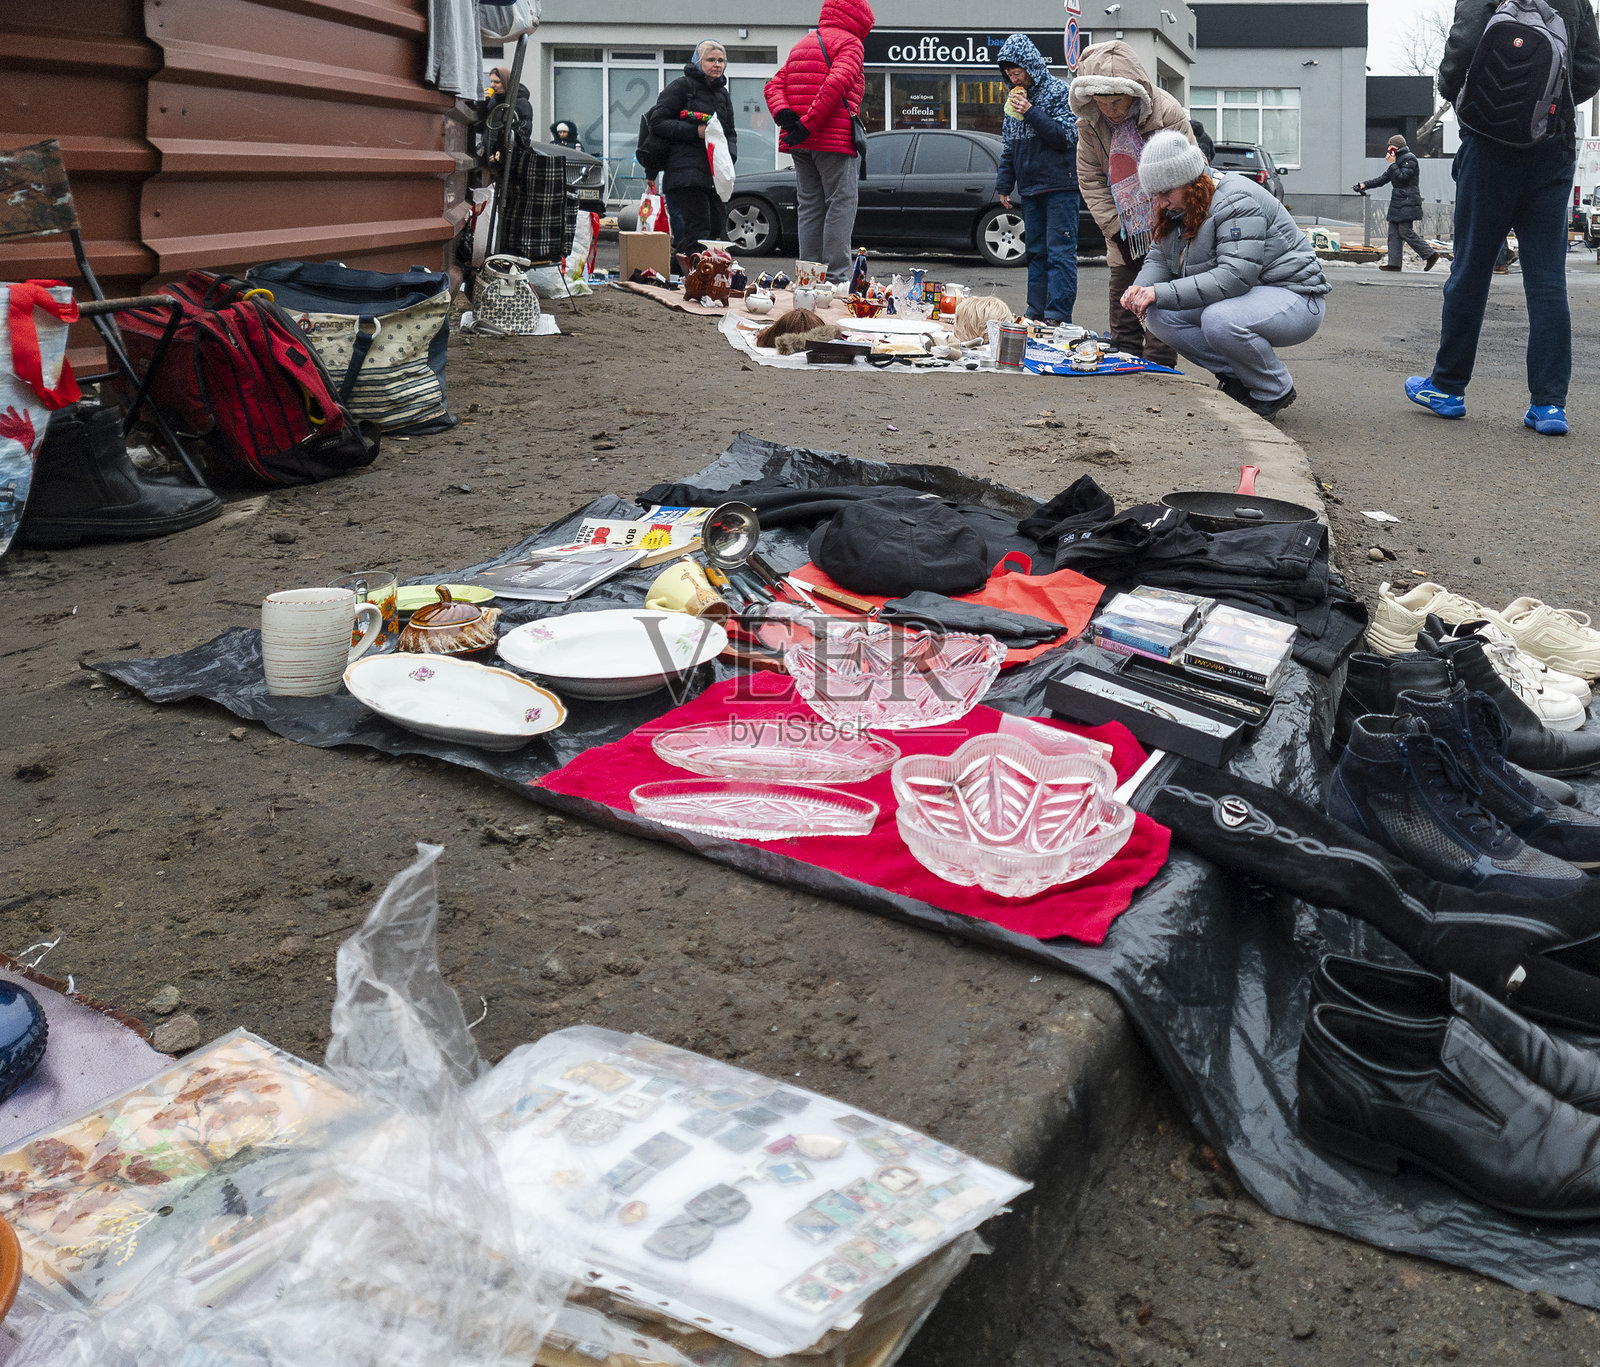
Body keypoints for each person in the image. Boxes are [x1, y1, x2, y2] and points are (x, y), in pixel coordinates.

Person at [1406, 0, 1600, 434]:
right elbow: (1589, 68)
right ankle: (1549, 406)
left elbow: (1459, 54)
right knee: (1548, 280)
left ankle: (1447, 388)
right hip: (1552, 144)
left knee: (1472, 267)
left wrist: (1481, 104)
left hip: (1489, 144)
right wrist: (1545, 103)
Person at [1121, 130, 1330, 422]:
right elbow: (1159, 258)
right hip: (1248, 297)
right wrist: (1140, 289)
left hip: (1295, 297)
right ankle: (1240, 378)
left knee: (1219, 319)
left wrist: (1161, 291)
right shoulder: (1180, 206)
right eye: (1155, 195)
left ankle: (1273, 389)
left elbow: (1234, 277)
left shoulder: (1235, 200)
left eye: (1165, 193)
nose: (1161, 203)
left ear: (1188, 181)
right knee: (1158, 314)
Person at [1071, 40, 1194, 367]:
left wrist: (1169, 222)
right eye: (1101, 101)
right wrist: (1115, 230)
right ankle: (1124, 361)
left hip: (1167, 219)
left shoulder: (1168, 113)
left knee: (1160, 298)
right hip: (1122, 225)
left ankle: (1159, 369)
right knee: (1124, 296)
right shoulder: (1090, 124)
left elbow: (1191, 171)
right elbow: (1091, 178)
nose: (1109, 110)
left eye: (1117, 101)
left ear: (1135, 92)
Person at [765, 0, 876, 284]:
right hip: (833, 138)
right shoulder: (851, 44)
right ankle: (836, 277)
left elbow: (773, 84)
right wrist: (808, 124)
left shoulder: (805, 42)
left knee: (810, 205)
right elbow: (837, 82)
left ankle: (809, 276)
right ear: (860, 18)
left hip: (800, 143)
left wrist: (785, 116)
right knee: (841, 202)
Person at [994, 33, 1079, 325]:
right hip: (1029, 188)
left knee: (1060, 253)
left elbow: (1065, 137)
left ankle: (1057, 314)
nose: (1013, 78)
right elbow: (1009, 145)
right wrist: (1005, 184)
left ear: (1031, 66)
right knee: (1035, 253)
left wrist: (1031, 112)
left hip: (1059, 186)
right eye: (1008, 74)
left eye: (1017, 72)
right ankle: (1035, 312)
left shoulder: (1059, 91)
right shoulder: (1012, 101)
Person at [649, 41, 739, 267]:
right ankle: (687, 279)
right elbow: (658, 121)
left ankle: (688, 275)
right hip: (685, 172)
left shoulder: (722, 94)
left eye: (720, 60)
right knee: (696, 232)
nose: (717, 65)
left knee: (715, 229)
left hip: (714, 173)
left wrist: (729, 157)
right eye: (711, 60)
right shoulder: (681, 87)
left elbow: (730, 132)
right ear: (698, 62)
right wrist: (694, 131)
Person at [1355, 136, 1438, 273]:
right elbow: (1382, 179)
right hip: (1398, 202)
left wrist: (1392, 164)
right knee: (1393, 233)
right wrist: (1364, 185)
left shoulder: (1409, 159)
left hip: (1407, 201)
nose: (1387, 149)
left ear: (1396, 147)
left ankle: (1430, 254)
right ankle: (1394, 264)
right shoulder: (1399, 160)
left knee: (1404, 231)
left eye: (1390, 146)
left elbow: (1403, 178)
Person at [482, 67, 533, 164]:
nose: (493, 85)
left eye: (497, 82)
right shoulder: (493, 101)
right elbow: (483, 126)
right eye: (491, 81)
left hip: (509, 158)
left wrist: (503, 151)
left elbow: (524, 132)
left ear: (506, 82)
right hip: (489, 154)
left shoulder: (520, 102)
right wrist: (483, 103)